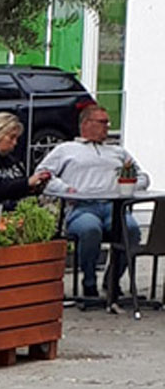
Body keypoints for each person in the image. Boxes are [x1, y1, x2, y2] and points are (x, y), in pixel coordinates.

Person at [38, 102, 148, 304]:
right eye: (102, 122)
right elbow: (42, 175)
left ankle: (113, 279)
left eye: (107, 123)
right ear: (86, 124)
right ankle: (89, 281)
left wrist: (128, 186)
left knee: (131, 229)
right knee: (90, 229)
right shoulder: (66, 150)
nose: (107, 127)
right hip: (81, 206)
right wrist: (65, 189)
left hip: (113, 206)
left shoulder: (117, 151)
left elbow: (142, 176)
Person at [0, 112, 49, 218]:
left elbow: (18, 185)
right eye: (11, 138)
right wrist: (26, 183)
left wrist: (34, 187)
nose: (15, 143)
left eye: (16, 138)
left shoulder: (12, 160)